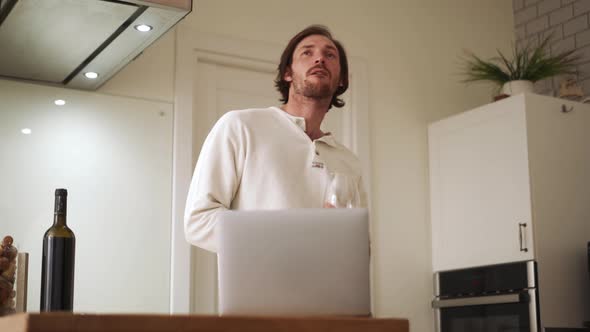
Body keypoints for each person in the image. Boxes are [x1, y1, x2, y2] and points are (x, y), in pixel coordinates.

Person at [184, 25, 367, 252]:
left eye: (330, 55)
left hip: (330, 287)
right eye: (307, 52)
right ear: (287, 73)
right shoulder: (240, 127)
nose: (320, 58)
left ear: (341, 80)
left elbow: (360, 248)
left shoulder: (349, 162)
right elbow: (199, 221)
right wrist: (292, 236)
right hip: (260, 287)